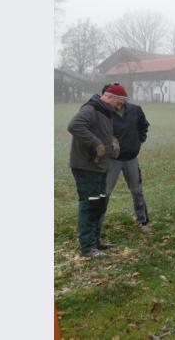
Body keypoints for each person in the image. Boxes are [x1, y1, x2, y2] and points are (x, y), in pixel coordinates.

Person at [67, 84, 125, 258]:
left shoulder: (105, 112)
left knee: (99, 204)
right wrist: (96, 143)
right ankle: (87, 248)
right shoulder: (91, 109)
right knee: (89, 205)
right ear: (109, 97)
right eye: (119, 102)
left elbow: (102, 131)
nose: (120, 106)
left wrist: (113, 141)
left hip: (100, 166)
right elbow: (74, 126)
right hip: (86, 166)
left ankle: (95, 242)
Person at [99, 83, 152, 235]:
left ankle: (143, 221)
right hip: (111, 160)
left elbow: (144, 126)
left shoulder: (135, 110)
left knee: (137, 191)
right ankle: (96, 226)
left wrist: (140, 141)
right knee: (105, 192)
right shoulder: (103, 113)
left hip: (131, 158)